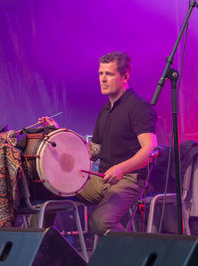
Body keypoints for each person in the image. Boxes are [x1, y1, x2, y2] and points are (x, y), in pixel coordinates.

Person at [43, 51, 157, 236]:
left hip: (130, 180)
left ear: (125, 76)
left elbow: (149, 149)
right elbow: (93, 151)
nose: (103, 79)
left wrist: (121, 168)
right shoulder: (106, 109)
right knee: (52, 187)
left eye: (109, 74)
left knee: (100, 222)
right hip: (102, 179)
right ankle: (48, 251)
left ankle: (136, 255)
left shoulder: (138, 107)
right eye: (100, 73)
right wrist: (58, 134)